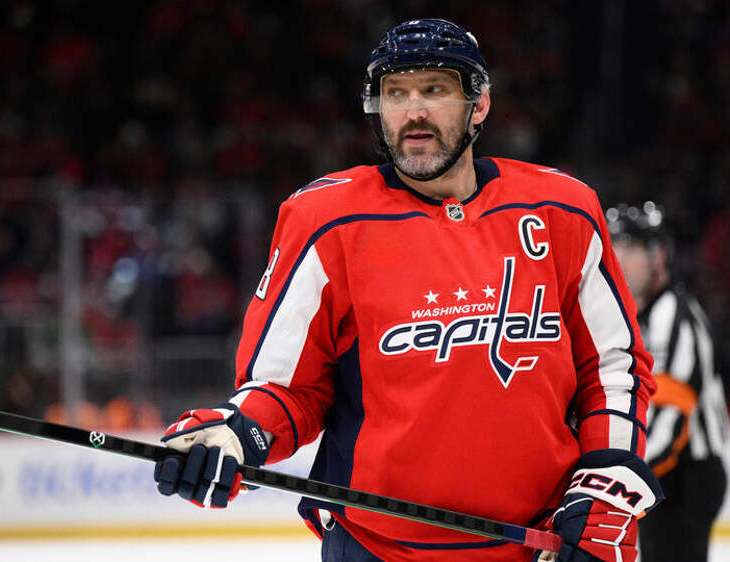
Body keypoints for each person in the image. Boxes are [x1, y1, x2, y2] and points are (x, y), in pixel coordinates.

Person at [153, 18, 663, 561]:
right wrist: (237, 434)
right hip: (376, 549)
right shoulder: (327, 220)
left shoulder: (564, 209)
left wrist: (607, 481)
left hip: (538, 546)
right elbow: (286, 386)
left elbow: (613, 368)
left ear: (479, 105)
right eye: (396, 93)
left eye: (434, 89)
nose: (413, 111)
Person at [607, 202, 729, 561]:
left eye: (631, 249)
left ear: (658, 255)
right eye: (615, 249)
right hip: (667, 471)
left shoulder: (673, 317)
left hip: (686, 475)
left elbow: (670, 419)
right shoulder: (642, 313)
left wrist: (625, 476)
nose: (619, 261)